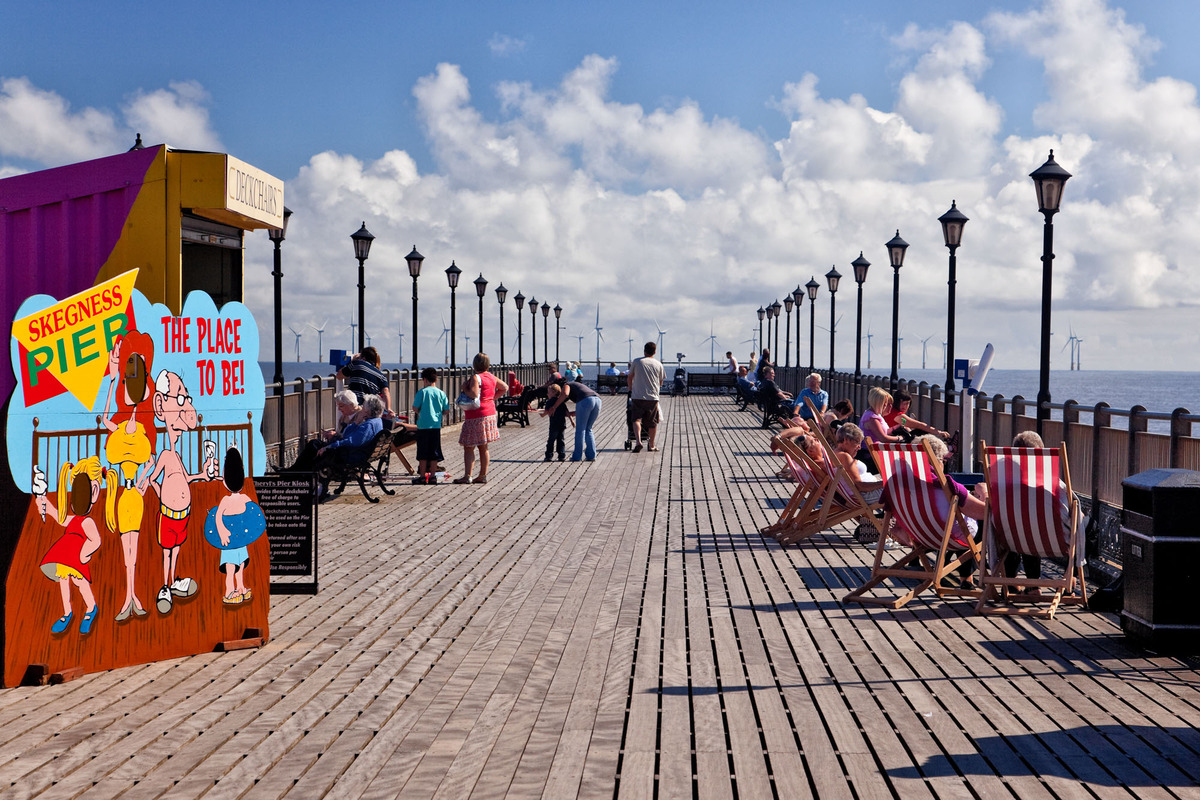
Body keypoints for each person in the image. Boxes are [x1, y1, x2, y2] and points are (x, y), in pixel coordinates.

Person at [146, 369, 216, 614]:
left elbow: (186, 478)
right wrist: (162, 496)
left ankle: (173, 580)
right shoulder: (166, 455)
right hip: (168, 515)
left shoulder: (176, 456)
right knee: (167, 551)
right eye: (180, 398)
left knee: (176, 550)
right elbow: (153, 479)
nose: (186, 405)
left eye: (187, 398)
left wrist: (202, 474)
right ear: (160, 405)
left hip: (182, 515)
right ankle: (164, 586)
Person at [100, 330, 155, 621]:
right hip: (124, 496)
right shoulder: (120, 428)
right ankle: (128, 598)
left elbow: (151, 460)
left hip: (135, 496)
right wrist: (111, 381)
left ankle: (133, 597)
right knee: (126, 551)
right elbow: (105, 418)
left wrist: (144, 481)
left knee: (135, 547)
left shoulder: (143, 428)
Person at [900, 434, 990, 589]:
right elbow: (983, 512)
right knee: (979, 522)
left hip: (920, 534)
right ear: (936, 461)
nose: (944, 464)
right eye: (943, 460)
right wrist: (984, 494)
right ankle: (966, 577)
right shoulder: (948, 485)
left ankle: (961, 574)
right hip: (947, 536)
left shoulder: (901, 480)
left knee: (960, 521)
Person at [34, 457, 107, 634]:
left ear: (94, 492)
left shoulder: (88, 522)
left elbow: (96, 540)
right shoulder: (75, 519)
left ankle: (91, 607)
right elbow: (62, 519)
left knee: (80, 582)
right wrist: (47, 505)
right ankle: (67, 611)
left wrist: (84, 554)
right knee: (64, 580)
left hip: (76, 556)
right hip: (66, 553)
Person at [209, 447, 265, 605]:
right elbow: (219, 518)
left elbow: (218, 516)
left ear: (224, 479)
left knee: (240, 566)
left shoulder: (229, 500)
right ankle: (229, 591)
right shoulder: (242, 498)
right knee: (231, 568)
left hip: (238, 541)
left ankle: (240, 587)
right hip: (231, 542)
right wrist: (222, 531)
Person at [314, 393, 386, 500]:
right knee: (315, 445)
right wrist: (356, 422)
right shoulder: (377, 421)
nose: (361, 408)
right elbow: (346, 435)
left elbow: (350, 441)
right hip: (362, 453)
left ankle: (314, 485)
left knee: (316, 448)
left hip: (352, 455)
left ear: (367, 411)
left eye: (364, 406)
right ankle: (306, 479)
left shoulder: (368, 425)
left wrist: (329, 447)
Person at [455, 353, 507, 484]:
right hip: (489, 413)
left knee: (469, 446)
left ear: (475, 364)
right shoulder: (491, 377)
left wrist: (464, 388)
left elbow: (473, 394)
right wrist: (491, 398)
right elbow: (504, 388)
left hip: (476, 415)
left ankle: (467, 476)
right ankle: (482, 475)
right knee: (483, 447)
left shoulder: (476, 377)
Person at [280, 390, 361, 473]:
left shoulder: (360, 417)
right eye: (338, 406)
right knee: (314, 447)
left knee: (314, 445)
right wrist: (333, 434)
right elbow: (341, 433)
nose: (339, 409)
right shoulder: (344, 417)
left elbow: (352, 437)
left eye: (341, 406)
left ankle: (294, 472)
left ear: (351, 404)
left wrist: (335, 436)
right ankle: (295, 471)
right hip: (338, 446)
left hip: (345, 450)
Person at [546, 376, 602, 461]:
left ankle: (577, 456)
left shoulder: (567, 384)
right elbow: (581, 412)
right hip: (597, 400)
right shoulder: (577, 386)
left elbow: (565, 394)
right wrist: (566, 414)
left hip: (586, 399)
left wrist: (554, 407)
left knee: (580, 430)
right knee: (588, 429)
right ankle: (591, 455)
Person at [627, 341, 664, 453]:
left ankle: (638, 442)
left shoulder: (637, 361)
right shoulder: (659, 364)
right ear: (655, 352)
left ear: (644, 351)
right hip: (652, 397)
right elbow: (661, 382)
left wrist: (630, 389)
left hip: (637, 396)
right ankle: (651, 445)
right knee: (653, 422)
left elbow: (630, 377)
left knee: (636, 419)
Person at [413, 367, 449, 475]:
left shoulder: (422, 392)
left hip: (423, 426)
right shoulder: (441, 393)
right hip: (435, 426)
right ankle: (433, 476)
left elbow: (415, 407)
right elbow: (446, 410)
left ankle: (422, 476)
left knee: (422, 452)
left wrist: (421, 412)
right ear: (436, 379)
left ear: (424, 379)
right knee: (434, 452)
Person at [858, 387, 903, 472]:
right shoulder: (872, 418)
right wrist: (899, 438)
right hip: (871, 454)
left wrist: (896, 427)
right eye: (885, 404)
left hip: (875, 451)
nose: (887, 406)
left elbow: (884, 432)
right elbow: (883, 438)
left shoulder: (874, 414)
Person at [883, 390, 948, 442]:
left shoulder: (893, 412)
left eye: (907, 403)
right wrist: (939, 432)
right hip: (892, 440)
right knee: (921, 432)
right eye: (902, 403)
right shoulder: (897, 415)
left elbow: (904, 425)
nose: (905, 406)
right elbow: (919, 425)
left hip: (894, 437)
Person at [541, 383, 570, 461]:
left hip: (554, 424)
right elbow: (566, 412)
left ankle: (549, 456)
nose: (547, 394)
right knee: (561, 440)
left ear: (554, 392)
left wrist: (542, 415)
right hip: (562, 424)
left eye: (549, 392)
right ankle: (561, 455)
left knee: (551, 440)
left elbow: (547, 411)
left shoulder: (550, 402)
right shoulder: (561, 402)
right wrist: (571, 420)